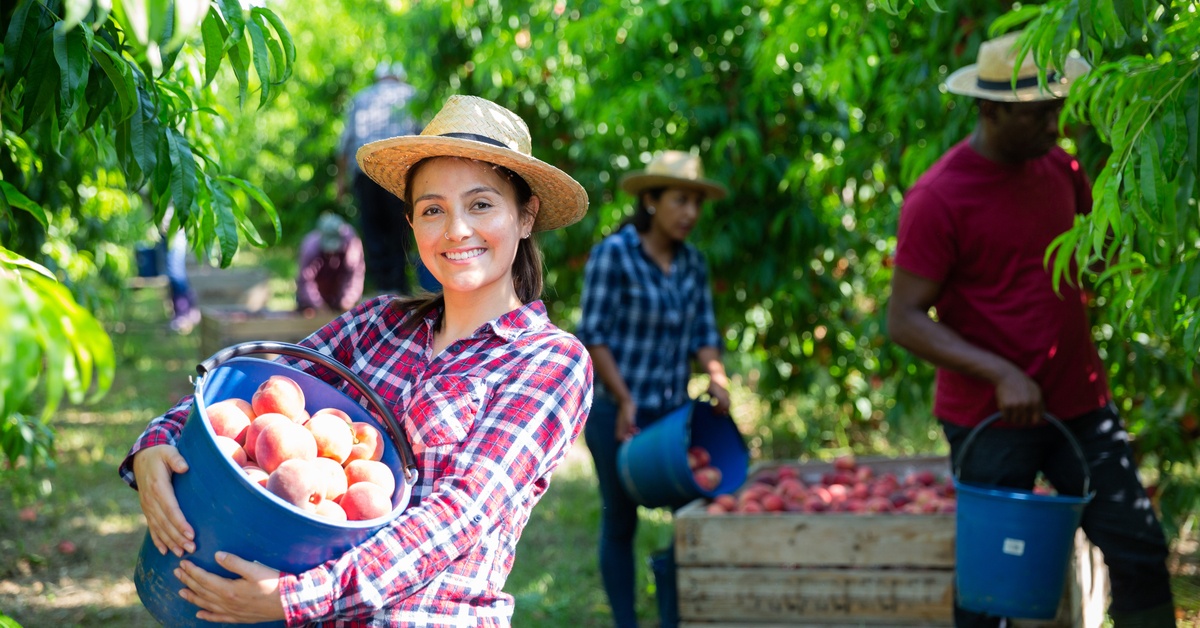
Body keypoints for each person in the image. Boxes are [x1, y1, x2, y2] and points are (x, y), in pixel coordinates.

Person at [120, 95, 594, 625]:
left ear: (525, 216)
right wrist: (158, 441)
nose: (456, 229)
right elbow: (252, 386)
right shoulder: (378, 323)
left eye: (481, 204)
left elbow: (460, 515)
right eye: (433, 209)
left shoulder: (549, 361)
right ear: (412, 224)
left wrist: (298, 598)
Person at [887, 31, 1175, 628]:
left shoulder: (1060, 167)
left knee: (1139, 546)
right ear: (990, 110)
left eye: (1056, 111)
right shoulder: (939, 197)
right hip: (990, 415)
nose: (1054, 126)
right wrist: (999, 371)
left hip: (1078, 400)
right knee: (995, 585)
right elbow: (904, 319)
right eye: (1039, 114)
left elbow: (1088, 257)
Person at [576, 150, 731, 628]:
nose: (690, 214)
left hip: (673, 414)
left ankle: (677, 613)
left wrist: (716, 374)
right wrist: (625, 398)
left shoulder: (691, 263)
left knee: (689, 514)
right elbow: (594, 335)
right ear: (650, 200)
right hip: (617, 413)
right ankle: (627, 621)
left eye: (696, 203)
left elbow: (704, 332)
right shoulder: (615, 255)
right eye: (680, 201)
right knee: (621, 519)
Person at [337, 61, 419, 295]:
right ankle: (399, 287)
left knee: (373, 230)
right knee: (401, 228)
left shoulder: (361, 98)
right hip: (399, 174)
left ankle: (383, 288)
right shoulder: (412, 95)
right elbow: (423, 137)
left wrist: (340, 181)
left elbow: (345, 143)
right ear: (399, 77)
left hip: (366, 173)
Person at [295, 212, 366, 312]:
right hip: (316, 298)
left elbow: (355, 275)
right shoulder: (310, 248)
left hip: (339, 294)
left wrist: (348, 300)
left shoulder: (351, 243)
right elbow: (305, 281)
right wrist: (318, 305)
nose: (332, 252)